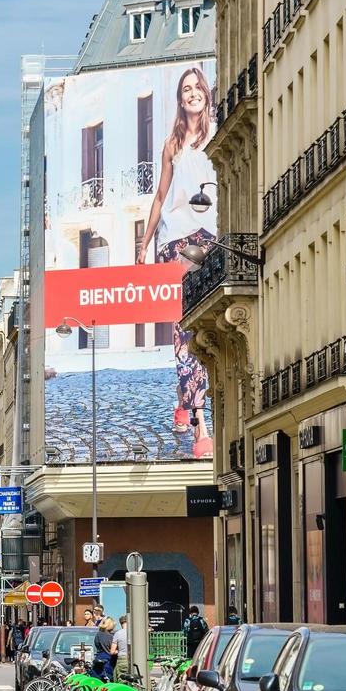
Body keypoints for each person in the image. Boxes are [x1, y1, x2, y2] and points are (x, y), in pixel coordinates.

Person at [139, 65, 217, 459]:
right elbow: (160, 196)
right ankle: (201, 422)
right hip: (177, 241)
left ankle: (183, 401)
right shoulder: (171, 145)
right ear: (180, 98)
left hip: (212, 237)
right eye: (185, 89)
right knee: (184, 330)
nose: (191, 94)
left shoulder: (216, 133)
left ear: (205, 93)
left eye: (196, 88)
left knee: (207, 321)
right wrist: (145, 241)